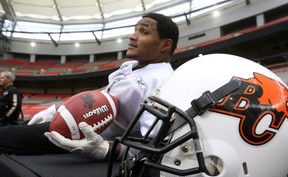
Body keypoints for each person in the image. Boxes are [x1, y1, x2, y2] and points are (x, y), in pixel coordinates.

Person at [0, 13, 179, 159]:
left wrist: (107, 149)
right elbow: (104, 92)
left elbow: (157, 143)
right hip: (75, 127)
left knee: (5, 137)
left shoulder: (162, 81)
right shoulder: (131, 66)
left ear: (165, 44)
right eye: (134, 30)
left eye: (144, 32)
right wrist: (56, 109)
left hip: (85, 140)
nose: (132, 36)